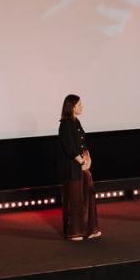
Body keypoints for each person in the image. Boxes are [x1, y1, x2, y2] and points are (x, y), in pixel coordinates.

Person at [57, 93, 101, 241]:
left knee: (88, 197)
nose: (82, 107)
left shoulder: (77, 122)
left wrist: (88, 158)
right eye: (79, 104)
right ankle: (75, 232)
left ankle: (90, 229)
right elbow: (70, 147)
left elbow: (83, 143)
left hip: (82, 167)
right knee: (75, 200)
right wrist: (81, 162)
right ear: (72, 106)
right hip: (73, 168)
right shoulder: (65, 124)